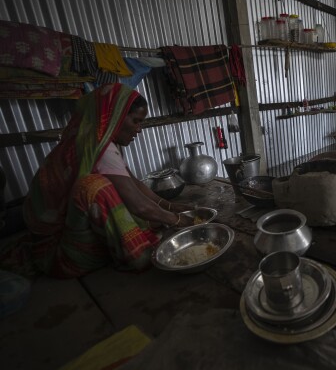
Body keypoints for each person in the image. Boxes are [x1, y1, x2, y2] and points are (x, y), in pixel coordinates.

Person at [6, 83, 195, 278]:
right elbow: (139, 206)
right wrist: (178, 220)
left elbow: (133, 183)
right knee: (93, 187)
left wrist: (169, 206)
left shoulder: (95, 143)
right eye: (136, 121)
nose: (139, 130)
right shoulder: (98, 148)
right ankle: (137, 253)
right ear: (116, 118)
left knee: (142, 209)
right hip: (62, 254)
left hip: (66, 236)